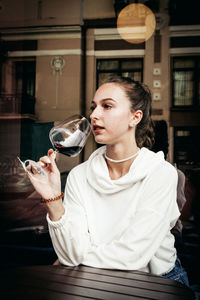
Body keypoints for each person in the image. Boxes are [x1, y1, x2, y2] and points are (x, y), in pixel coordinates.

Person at [27, 76, 189, 286]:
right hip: (93, 280)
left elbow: (133, 256)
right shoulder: (79, 175)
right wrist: (53, 199)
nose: (94, 115)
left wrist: (75, 260)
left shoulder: (160, 174)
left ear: (135, 117)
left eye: (107, 106)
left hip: (158, 283)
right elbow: (69, 253)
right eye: (94, 107)